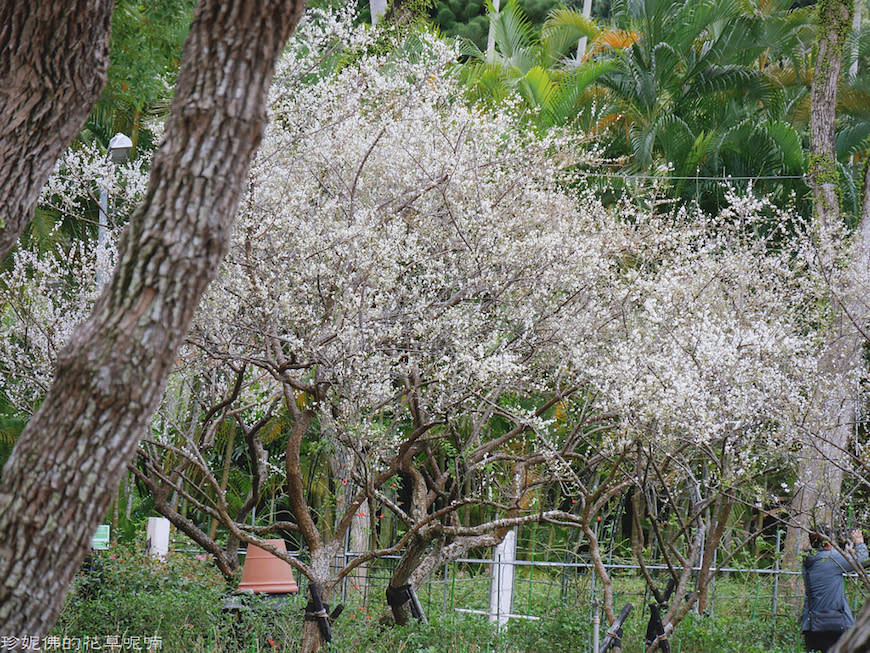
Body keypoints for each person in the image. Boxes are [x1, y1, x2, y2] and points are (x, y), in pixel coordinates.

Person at [801, 526, 869, 652]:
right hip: (832, 623)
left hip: (811, 624)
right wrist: (859, 543)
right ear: (828, 542)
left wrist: (846, 556)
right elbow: (864, 560)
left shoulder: (809, 559)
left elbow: (828, 571)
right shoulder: (831, 558)